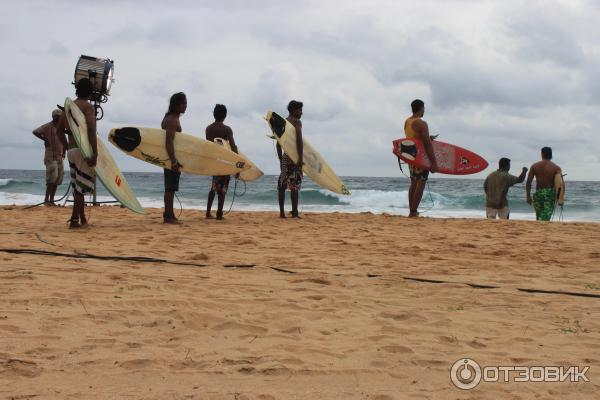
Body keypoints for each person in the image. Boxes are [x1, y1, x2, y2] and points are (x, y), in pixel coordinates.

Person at [55, 78, 97, 228]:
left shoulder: (68, 108)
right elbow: (91, 130)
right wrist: (95, 153)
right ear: (90, 91)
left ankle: (78, 219)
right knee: (81, 188)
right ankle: (78, 220)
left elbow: (58, 131)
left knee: (77, 185)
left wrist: (66, 146)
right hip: (83, 151)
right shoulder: (87, 107)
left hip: (72, 151)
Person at [404, 99, 438, 217]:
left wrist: (428, 137)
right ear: (421, 108)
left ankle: (412, 210)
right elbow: (427, 145)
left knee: (413, 182)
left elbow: (414, 138)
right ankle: (413, 212)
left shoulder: (407, 121)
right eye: (424, 108)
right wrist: (434, 163)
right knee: (421, 183)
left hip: (411, 157)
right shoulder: (421, 123)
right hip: (421, 158)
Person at [205, 104, 238, 220]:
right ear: (225, 115)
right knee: (223, 188)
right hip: (224, 162)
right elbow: (233, 147)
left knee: (213, 187)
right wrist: (237, 164)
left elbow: (208, 146)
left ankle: (208, 212)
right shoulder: (227, 129)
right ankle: (219, 214)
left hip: (214, 161)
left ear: (214, 114)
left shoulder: (208, 129)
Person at [162, 92, 187, 224]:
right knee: (170, 188)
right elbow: (169, 141)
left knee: (170, 188)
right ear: (176, 105)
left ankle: (169, 214)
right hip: (170, 158)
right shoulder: (172, 120)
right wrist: (173, 161)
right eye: (183, 103)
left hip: (170, 157)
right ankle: (169, 216)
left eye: (186, 103)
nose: (185, 106)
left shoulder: (170, 117)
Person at [32, 109, 65, 205]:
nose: (60, 119)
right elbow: (35, 131)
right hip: (50, 156)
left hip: (59, 156)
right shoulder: (47, 126)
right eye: (59, 117)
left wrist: (65, 152)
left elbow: (63, 140)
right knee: (52, 178)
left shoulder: (61, 127)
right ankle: (46, 200)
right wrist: (45, 139)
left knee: (58, 179)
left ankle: (52, 200)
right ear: (54, 117)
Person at [277, 100, 304, 218]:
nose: (301, 113)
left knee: (282, 184)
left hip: (285, 156)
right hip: (294, 156)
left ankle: (282, 212)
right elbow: (299, 140)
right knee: (294, 185)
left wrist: (280, 158)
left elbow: (278, 142)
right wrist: (300, 158)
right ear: (293, 110)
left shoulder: (282, 122)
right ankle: (294, 212)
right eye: (300, 110)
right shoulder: (297, 122)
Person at [526, 147, 562, 221]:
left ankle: (539, 230)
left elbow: (528, 182)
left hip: (538, 193)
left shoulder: (534, 166)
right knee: (545, 217)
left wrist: (528, 196)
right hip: (550, 194)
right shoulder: (556, 168)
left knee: (539, 215)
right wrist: (560, 198)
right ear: (551, 155)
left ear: (542, 154)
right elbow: (560, 184)